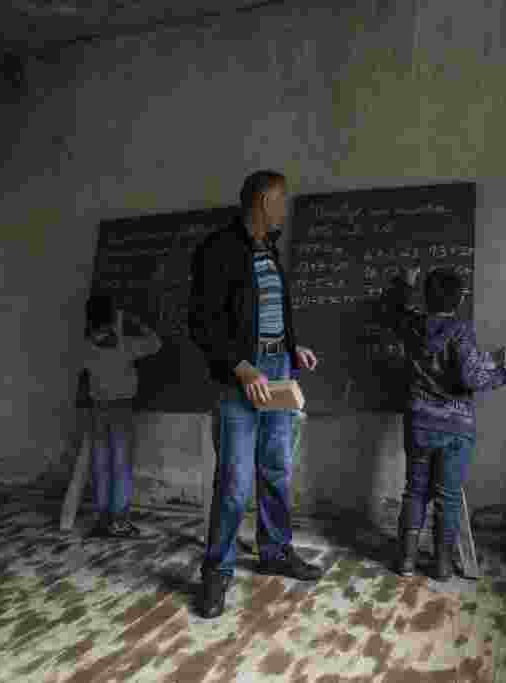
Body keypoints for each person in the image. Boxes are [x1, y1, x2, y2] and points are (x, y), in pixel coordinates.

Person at [188, 170, 324, 619]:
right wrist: (243, 368)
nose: (285, 208)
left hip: (278, 370)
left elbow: (268, 313)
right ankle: (216, 572)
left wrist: (290, 347)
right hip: (239, 377)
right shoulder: (219, 249)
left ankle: (276, 551)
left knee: (277, 467)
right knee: (234, 481)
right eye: (281, 200)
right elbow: (203, 323)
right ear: (263, 202)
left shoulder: (270, 249)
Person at [385, 264, 506, 579]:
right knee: (448, 496)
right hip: (455, 426)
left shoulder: (412, 324)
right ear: (458, 299)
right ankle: (441, 566)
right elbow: (470, 376)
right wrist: (502, 372)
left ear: (427, 298)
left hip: (419, 421)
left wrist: (407, 284)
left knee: (414, 490)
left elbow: (396, 309)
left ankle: (406, 561)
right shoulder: (460, 330)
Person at [77, 293, 162, 538]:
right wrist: (134, 323)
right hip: (122, 409)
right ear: (112, 318)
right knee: (121, 465)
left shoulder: (85, 347)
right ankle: (119, 521)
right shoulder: (124, 345)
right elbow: (156, 343)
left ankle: (102, 519)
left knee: (101, 464)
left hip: (97, 409)